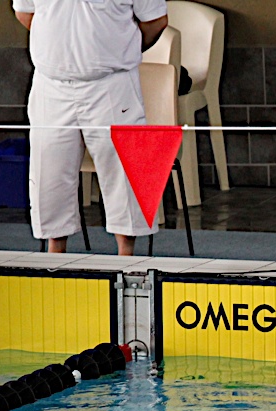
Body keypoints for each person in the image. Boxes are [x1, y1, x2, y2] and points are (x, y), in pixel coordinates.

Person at [13, 0, 168, 256]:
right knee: (49, 172)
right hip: (51, 84)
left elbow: (155, 21)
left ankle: (126, 257)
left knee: (122, 172)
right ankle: (54, 256)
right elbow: (25, 13)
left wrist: (118, 46)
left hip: (112, 82)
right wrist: (63, 48)